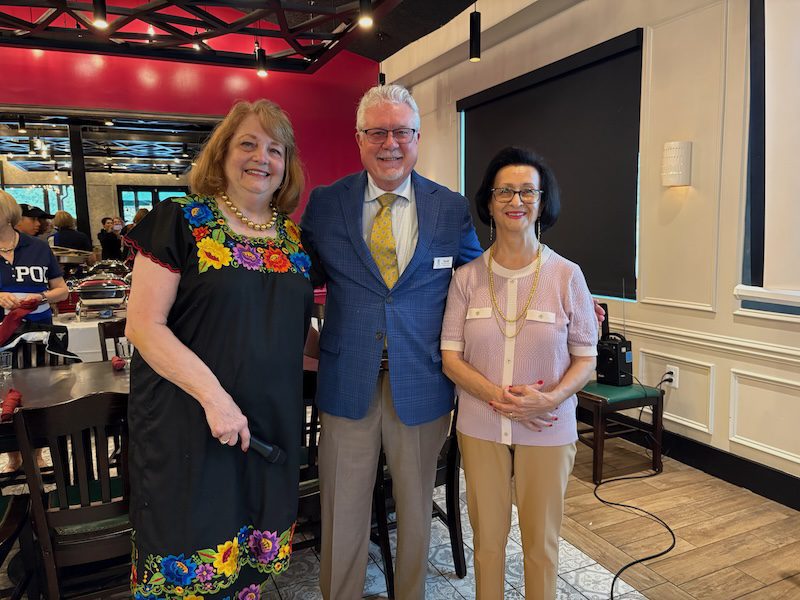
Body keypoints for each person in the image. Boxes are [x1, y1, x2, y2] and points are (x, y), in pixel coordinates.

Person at [300, 84, 483, 599]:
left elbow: (480, 283)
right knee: (342, 510)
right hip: (346, 380)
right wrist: (300, 337)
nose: (390, 143)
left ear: (417, 138)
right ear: (359, 139)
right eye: (377, 132)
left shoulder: (449, 208)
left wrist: (553, 292)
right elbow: (291, 281)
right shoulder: (327, 204)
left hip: (422, 381)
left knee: (417, 510)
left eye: (401, 131)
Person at [124, 99, 311, 599]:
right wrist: (216, 399)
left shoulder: (294, 238)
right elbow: (143, 326)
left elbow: (288, 324)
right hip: (191, 417)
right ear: (222, 152)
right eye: (248, 143)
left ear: (287, 164)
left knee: (250, 558)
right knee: (190, 554)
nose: (262, 157)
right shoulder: (179, 220)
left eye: (276, 149)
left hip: (269, 421)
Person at [440, 147, 598, 600]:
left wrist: (549, 399)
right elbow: (451, 358)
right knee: (487, 544)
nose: (516, 200)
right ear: (488, 202)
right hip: (480, 426)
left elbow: (585, 358)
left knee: (542, 546)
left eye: (528, 190)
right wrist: (501, 397)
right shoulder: (466, 278)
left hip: (549, 426)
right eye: (504, 190)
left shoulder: (568, 276)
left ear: (542, 201)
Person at [0, 192, 69, 473]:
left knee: (39, 392)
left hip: (38, 331)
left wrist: (41, 296)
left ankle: (37, 452)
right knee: (5, 395)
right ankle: (13, 455)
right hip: (2, 334)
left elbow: (61, 289)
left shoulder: (38, 248)